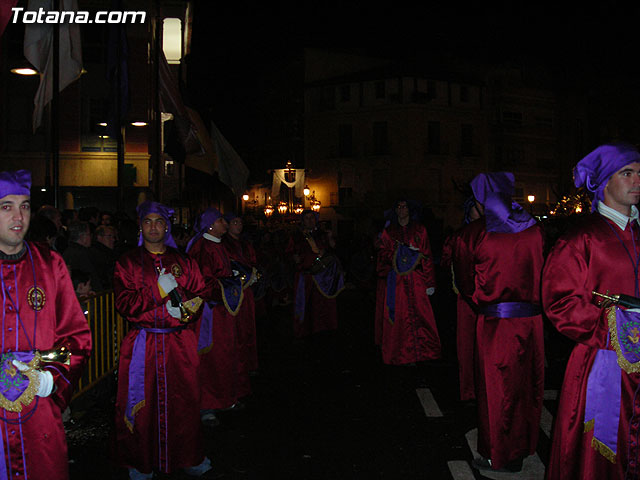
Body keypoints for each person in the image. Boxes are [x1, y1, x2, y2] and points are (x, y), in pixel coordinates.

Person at [542, 143, 640, 479]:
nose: (637, 180)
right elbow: (560, 303)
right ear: (604, 182)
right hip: (602, 361)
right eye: (627, 172)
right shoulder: (581, 238)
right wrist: (615, 326)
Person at [0, 169, 92, 479]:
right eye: (6, 206)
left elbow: (76, 336)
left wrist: (52, 379)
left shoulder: (50, 264)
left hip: (39, 412)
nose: (18, 216)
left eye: (24, 206)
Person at [113, 201, 211, 480]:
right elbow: (124, 304)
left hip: (179, 343)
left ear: (166, 226)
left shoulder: (184, 261)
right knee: (141, 405)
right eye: (147, 222)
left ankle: (189, 456)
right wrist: (156, 293)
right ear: (140, 226)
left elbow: (200, 293)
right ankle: (139, 460)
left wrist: (186, 310)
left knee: (185, 402)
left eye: (158, 222)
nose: (153, 227)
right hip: (143, 344)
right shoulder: (128, 262)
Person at [453, 173, 544, 472]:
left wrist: (484, 300)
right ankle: (523, 445)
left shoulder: (473, 235)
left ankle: (498, 455)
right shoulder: (534, 230)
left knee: (494, 391)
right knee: (525, 386)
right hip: (531, 322)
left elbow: (466, 284)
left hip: (495, 322)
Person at [186, 208, 249, 427]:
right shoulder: (202, 248)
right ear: (211, 225)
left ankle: (226, 398)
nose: (225, 223)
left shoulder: (217, 244)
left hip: (224, 313)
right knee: (211, 359)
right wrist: (233, 284)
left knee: (227, 355)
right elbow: (204, 283)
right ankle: (207, 405)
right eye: (221, 220)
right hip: (210, 314)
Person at [376, 199, 440, 365]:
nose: (402, 209)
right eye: (398, 206)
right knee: (400, 317)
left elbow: (427, 256)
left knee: (422, 315)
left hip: (417, 281)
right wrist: (400, 256)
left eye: (404, 206)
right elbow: (382, 255)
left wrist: (430, 282)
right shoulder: (389, 232)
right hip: (397, 282)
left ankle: (424, 352)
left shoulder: (420, 230)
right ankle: (401, 353)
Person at [440, 195, 481, 402]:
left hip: (490, 300)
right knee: (467, 345)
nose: (480, 209)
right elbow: (446, 264)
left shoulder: (494, 233)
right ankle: (469, 389)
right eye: (476, 206)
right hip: (467, 299)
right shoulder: (460, 237)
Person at [286, 210, 345, 338]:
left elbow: (334, 252)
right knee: (305, 305)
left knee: (322, 306)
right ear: (303, 221)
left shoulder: (323, 235)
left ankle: (323, 330)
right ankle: (305, 331)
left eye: (312, 218)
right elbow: (288, 254)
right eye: (306, 218)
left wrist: (330, 241)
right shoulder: (296, 236)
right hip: (304, 277)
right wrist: (293, 258)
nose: (309, 220)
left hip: (323, 278)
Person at [222, 213, 259, 376]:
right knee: (235, 328)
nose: (238, 225)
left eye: (240, 222)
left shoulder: (245, 244)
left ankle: (249, 363)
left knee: (248, 326)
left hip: (247, 291)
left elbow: (253, 262)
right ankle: (235, 364)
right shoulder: (223, 245)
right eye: (234, 222)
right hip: (232, 292)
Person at [63, 220, 104, 292]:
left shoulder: (66, 252)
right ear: (82, 237)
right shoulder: (83, 254)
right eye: (89, 234)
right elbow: (94, 280)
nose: (90, 237)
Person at [90, 224, 118, 289]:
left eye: (113, 237)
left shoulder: (109, 253)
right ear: (99, 237)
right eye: (109, 236)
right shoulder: (97, 254)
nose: (113, 240)